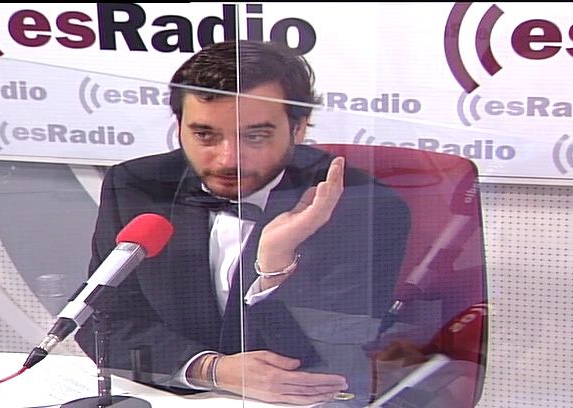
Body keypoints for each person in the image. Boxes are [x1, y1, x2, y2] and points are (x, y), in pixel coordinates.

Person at [75, 39, 411, 405]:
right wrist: (210, 368)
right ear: (179, 125)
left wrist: (275, 262)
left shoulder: (364, 208)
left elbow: (328, 358)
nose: (228, 159)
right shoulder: (137, 186)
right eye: (205, 135)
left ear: (298, 129)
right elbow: (102, 320)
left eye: (255, 136)